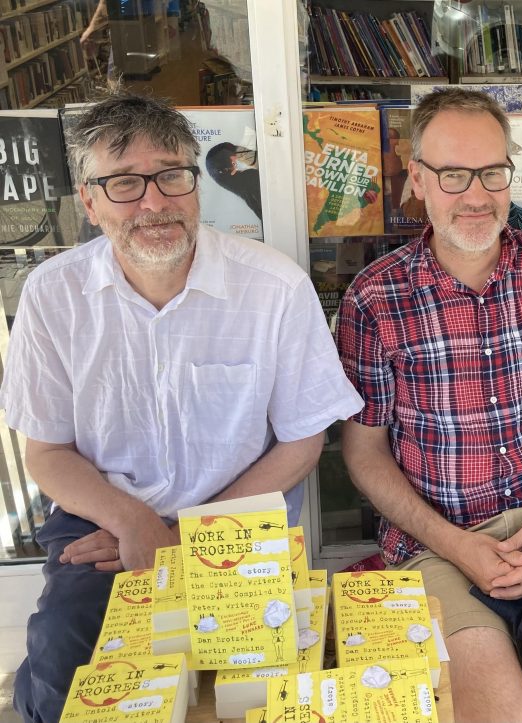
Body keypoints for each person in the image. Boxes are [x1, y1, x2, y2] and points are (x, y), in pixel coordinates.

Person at [1, 91, 364, 723]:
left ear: (197, 185)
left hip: (238, 525)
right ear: (88, 201)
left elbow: (303, 442)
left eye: (172, 176)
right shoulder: (52, 294)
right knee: (65, 662)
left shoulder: (273, 286)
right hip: (104, 523)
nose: (154, 203)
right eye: (124, 184)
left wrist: (181, 538)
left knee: (252, 691)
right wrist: (135, 525)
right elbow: (48, 452)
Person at [338, 88, 522, 723]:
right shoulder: (375, 298)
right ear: (417, 180)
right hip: (436, 541)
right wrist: (456, 544)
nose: (476, 195)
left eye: (492, 172)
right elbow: (363, 453)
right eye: (452, 175)